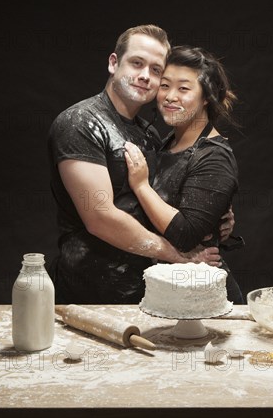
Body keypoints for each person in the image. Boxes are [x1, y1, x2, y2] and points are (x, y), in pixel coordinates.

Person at [48, 25, 231, 305]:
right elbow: (99, 218)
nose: (145, 76)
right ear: (113, 63)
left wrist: (215, 217)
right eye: (137, 63)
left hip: (147, 294)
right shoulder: (81, 123)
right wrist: (180, 256)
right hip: (89, 296)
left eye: (156, 70)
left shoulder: (150, 134)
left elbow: (165, 200)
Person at [124, 46, 244, 303]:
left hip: (203, 295)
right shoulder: (168, 142)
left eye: (184, 89)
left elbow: (186, 235)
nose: (169, 96)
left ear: (206, 98)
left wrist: (141, 186)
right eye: (165, 86)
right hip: (168, 289)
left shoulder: (214, 155)